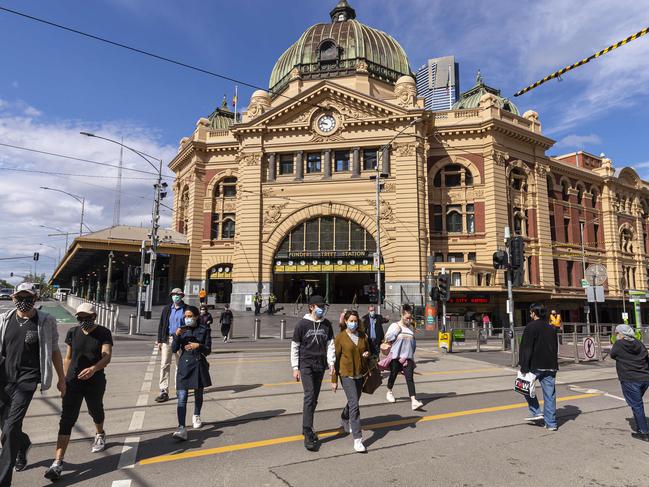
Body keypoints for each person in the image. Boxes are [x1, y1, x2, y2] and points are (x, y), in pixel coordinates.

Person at [0, 283, 66, 486]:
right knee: (6, 427)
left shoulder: (45, 321)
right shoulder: (5, 318)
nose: (23, 301)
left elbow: (54, 350)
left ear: (35, 299)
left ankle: (3, 480)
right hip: (4, 379)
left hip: (27, 381)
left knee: (10, 429)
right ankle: (23, 444)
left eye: (28, 297)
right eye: (20, 296)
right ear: (13, 298)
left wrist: (61, 379)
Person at [44, 303, 113, 481]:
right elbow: (68, 357)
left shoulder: (104, 333)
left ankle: (99, 433)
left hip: (95, 381)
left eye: (87, 318)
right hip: (73, 381)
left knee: (95, 410)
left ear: (94, 317)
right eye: (80, 318)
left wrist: (94, 368)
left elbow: (107, 356)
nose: (83, 321)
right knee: (67, 419)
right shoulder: (73, 332)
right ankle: (57, 463)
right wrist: (63, 380)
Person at [290, 295, 335, 451]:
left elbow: (330, 345)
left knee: (314, 398)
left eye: (324, 306)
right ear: (311, 307)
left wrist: (331, 363)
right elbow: (295, 346)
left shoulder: (327, 325)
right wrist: (295, 367)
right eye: (320, 305)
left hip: (320, 365)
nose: (323, 308)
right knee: (309, 395)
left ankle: (305, 425)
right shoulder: (302, 325)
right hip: (306, 364)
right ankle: (308, 431)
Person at [171, 306, 212, 441]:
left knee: (198, 394)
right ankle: (181, 427)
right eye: (185, 316)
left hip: (198, 364)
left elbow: (208, 350)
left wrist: (198, 346)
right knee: (181, 397)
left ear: (196, 316)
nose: (187, 318)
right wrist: (176, 335)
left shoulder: (204, 330)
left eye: (190, 316)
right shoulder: (181, 330)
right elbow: (174, 349)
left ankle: (196, 415)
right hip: (184, 366)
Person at [332, 310, 370, 453]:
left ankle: (344, 417)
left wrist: (367, 354)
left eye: (356, 321)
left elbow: (368, 350)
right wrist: (334, 379)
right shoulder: (340, 338)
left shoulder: (362, 336)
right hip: (346, 375)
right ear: (346, 321)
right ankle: (358, 439)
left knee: (353, 401)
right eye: (351, 321)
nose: (354, 323)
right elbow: (335, 360)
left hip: (360, 374)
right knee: (355, 405)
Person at [519, 303, 559, 430]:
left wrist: (524, 365)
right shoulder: (551, 327)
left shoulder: (531, 327)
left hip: (535, 365)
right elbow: (555, 347)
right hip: (550, 365)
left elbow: (526, 348)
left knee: (524, 387)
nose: (530, 314)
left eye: (531, 312)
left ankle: (536, 411)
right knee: (550, 395)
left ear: (534, 313)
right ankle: (551, 424)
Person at [610, 324, 649, 441]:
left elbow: (613, 355)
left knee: (636, 405)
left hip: (630, 379)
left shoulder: (619, 344)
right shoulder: (638, 343)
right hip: (644, 378)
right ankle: (640, 427)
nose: (616, 335)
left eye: (617, 333)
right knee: (635, 403)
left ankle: (644, 432)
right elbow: (645, 355)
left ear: (621, 334)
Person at [383, 304, 423, 410]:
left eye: (410, 318)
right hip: (396, 357)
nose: (409, 320)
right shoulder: (395, 326)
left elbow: (413, 345)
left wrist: (411, 355)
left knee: (410, 378)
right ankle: (389, 391)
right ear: (402, 315)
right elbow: (387, 338)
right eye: (407, 318)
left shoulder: (410, 330)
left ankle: (414, 400)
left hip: (408, 358)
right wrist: (397, 331)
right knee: (393, 375)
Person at [155, 288, 188, 403]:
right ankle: (164, 390)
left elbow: (190, 324)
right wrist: (159, 340)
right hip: (167, 339)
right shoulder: (167, 309)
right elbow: (162, 325)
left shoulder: (186, 309)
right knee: (165, 364)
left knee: (180, 365)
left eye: (178, 294)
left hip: (181, 340)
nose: (176, 296)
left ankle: (179, 388)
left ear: (182, 296)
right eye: (174, 294)